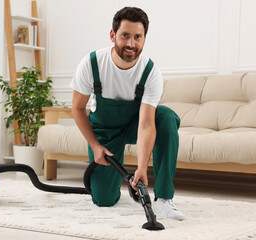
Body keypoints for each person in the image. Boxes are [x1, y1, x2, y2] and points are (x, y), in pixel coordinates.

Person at [70, 6, 185, 220]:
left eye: (137, 37)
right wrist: (96, 146)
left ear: (144, 39)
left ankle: (163, 199)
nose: (131, 44)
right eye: (125, 36)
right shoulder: (91, 64)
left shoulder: (150, 72)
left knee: (166, 117)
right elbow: (77, 108)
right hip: (104, 132)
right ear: (113, 35)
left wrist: (141, 169)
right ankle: (107, 188)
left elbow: (147, 124)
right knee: (103, 200)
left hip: (135, 125)